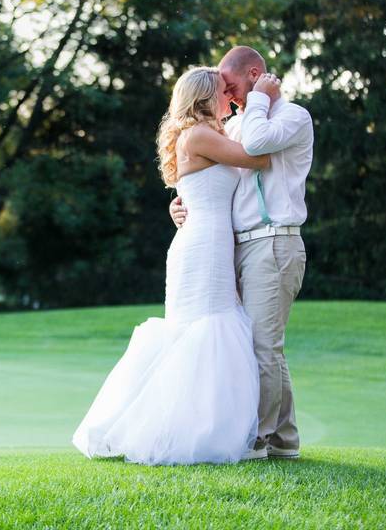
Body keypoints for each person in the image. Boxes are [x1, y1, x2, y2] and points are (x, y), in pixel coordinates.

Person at [71, 66, 272, 465]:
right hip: (203, 246)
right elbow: (260, 157)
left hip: (205, 240)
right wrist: (262, 100)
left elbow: (201, 186)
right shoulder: (198, 135)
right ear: (203, 97)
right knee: (207, 331)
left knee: (205, 330)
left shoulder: (206, 134)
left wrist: (177, 205)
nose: (229, 96)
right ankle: (199, 436)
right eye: (222, 91)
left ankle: (208, 430)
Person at [170, 46, 314, 460]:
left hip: (273, 240)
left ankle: (260, 439)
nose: (230, 98)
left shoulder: (291, 117)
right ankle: (284, 440)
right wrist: (181, 205)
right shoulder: (235, 125)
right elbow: (206, 173)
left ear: (255, 75)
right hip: (233, 244)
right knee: (263, 345)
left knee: (263, 346)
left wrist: (260, 100)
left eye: (233, 87)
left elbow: (258, 147)